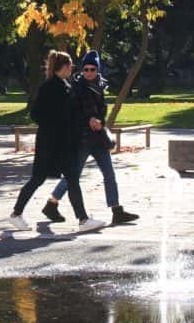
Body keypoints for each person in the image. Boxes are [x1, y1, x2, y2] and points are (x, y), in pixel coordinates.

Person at [8, 50, 107, 234]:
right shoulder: (51, 87)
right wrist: (55, 126)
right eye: (70, 65)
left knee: (70, 178)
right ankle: (17, 213)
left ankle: (83, 218)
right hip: (52, 144)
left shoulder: (63, 85)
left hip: (58, 144)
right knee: (40, 179)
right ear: (63, 67)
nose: (72, 68)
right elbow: (37, 114)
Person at [42, 50, 139, 226]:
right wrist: (88, 120)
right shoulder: (76, 87)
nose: (88, 72)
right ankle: (52, 204)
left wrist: (100, 121)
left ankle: (117, 211)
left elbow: (102, 111)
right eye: (85, 69)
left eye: (92, 69)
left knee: (109, 174)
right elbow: (71, 113)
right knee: (73, 177)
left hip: (98, 138)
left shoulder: (100, 86)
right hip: (82, 140)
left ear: (98, 70)